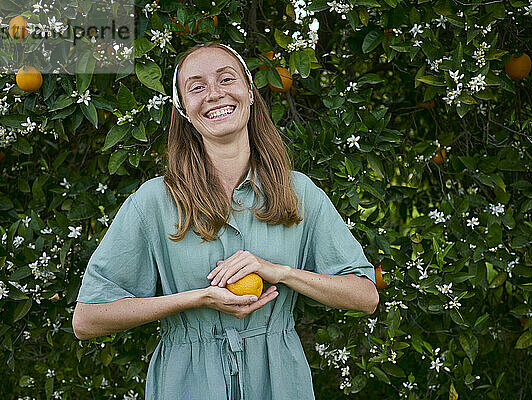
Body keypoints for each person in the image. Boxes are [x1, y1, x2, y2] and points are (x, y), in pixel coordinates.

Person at [72, 41, 379, 400]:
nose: (215, 94)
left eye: (226, 79)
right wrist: (196, 298)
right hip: (186, 383)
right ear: (184, 109)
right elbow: (88, 319)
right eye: (197, 87)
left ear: (249, 92)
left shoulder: (298, 192)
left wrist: (281, 272)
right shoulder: (153, 202)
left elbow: (366, 296)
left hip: (279, 382)